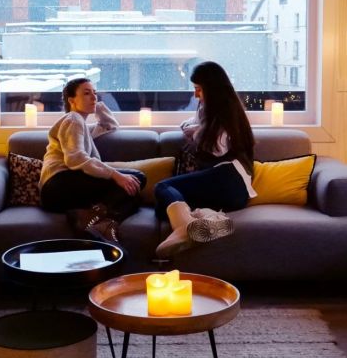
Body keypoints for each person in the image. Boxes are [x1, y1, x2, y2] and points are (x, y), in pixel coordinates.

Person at [154, 61, 256, 257]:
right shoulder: (212, 111)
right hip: (231, 194)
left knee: (162, 188)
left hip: (229, 177)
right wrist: (197, 128)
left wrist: (198, 132)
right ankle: (212, 220)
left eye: (198, 89)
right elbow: (189, 124)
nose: (195, 95)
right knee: (162, 209)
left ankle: (187, 229)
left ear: (212, 88)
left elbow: (218, 149)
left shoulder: (224, 112)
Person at [39, 77, 145, 245]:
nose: (94, 97)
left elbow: (110, 126)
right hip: (58, 185)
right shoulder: (73, 119)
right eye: (87, 93)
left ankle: (93, 219)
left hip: (59, 192)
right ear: (72, 100)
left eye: (95, 94)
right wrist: (115, 174)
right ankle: (98, 219)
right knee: (137, 178)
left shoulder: (79, 123)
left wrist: (97, 106)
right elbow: (75, 158)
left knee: (134, 195)